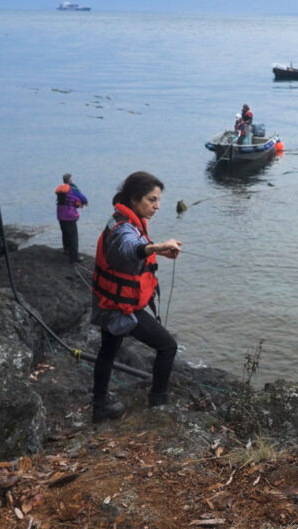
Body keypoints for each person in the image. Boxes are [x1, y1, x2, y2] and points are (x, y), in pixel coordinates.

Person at [90, 171, 183, 423]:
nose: (157, 206)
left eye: (158, 200)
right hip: (119, 306)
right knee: (167, 346)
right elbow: (129, 247)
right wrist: (158, 246)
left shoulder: (123, 219)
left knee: (108, 351)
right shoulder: (123, 229)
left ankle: (100, 406)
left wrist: (159, 253)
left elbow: (129, 256)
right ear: (134, 199)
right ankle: (159, 401)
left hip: (108, 302)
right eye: (151, 200)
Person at [55, 173, 88, 263]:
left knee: (65, 233)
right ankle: (73, 257)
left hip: (60, 214)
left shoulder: (61, 189)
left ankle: (66, 250)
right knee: (73, 236)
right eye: (72, 179)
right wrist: (85, 202)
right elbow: (83, 198)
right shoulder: (73, 188)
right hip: (69, 215)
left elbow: (68, 200)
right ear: (70, 180)